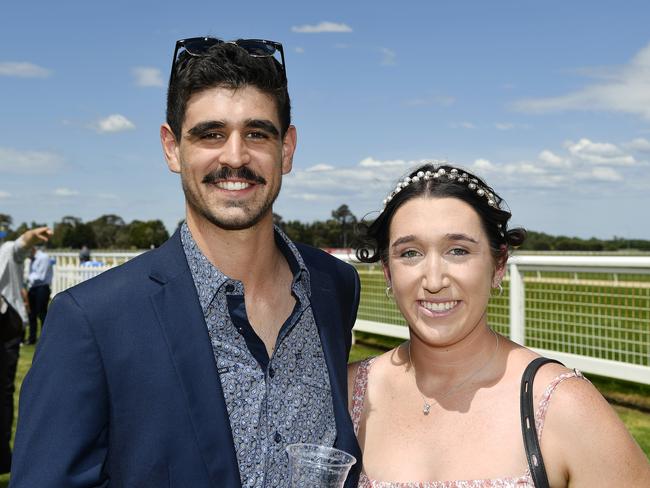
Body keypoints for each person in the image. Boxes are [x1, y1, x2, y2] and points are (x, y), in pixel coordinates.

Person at [11, 37, 362, 488]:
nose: (235, 157)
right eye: (211, 134)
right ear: (172, 148)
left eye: (257, 133)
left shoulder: (334, 287)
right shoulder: (91, 320)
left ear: (287, 149)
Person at [349, 163, 650, 487]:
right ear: (387, 271)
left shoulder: (562, 407)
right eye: (410, 253)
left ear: (498, 266)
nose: (434, 280)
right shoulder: (350, 391)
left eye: (458, 251)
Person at [0, 227, 51, 474]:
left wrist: (30, 238)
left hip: (6, 327)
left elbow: (18, 247)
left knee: (4, 393)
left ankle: (1, 455)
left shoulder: (5, 252)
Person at [24, 245, 53, 345]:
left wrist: (25, 278)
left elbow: (41, 276)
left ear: (32, 249)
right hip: (33, 288)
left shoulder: (43, 258)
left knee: (42, 314)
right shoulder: (32, 259)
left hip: (42, 288)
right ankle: (32, 338)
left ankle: (46, 338)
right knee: (31, 314)